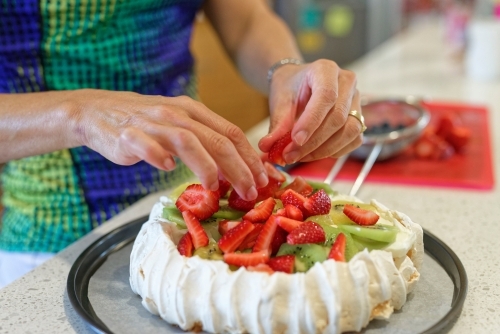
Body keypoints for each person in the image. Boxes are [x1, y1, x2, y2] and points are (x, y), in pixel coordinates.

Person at [0, 0, 363, 288]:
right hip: (48, 243)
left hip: (193, 213)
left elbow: (247, 19)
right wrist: (79, 113)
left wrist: (285, 70)